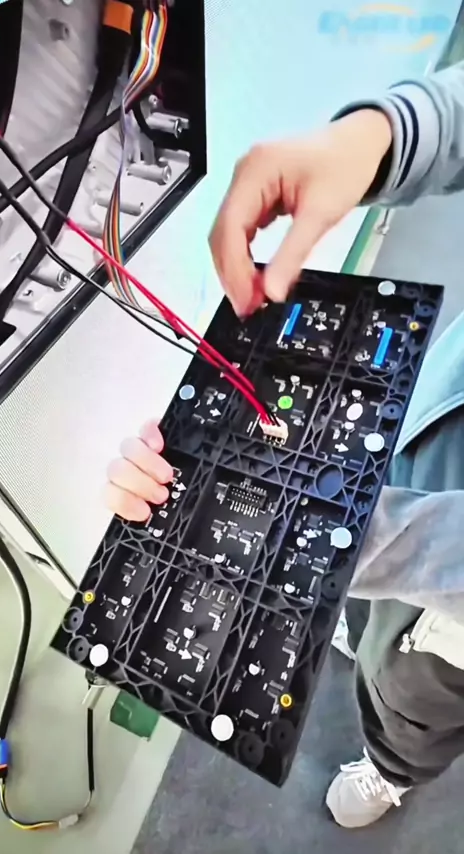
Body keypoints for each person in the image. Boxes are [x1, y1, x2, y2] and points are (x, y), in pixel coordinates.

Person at [104, 60, 464, 829]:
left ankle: (391, 767)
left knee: (413, 692)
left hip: (451, 626)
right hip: (442, 420)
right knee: (370, 600)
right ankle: (358, 612)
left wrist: (326, 539)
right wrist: (383, 136)